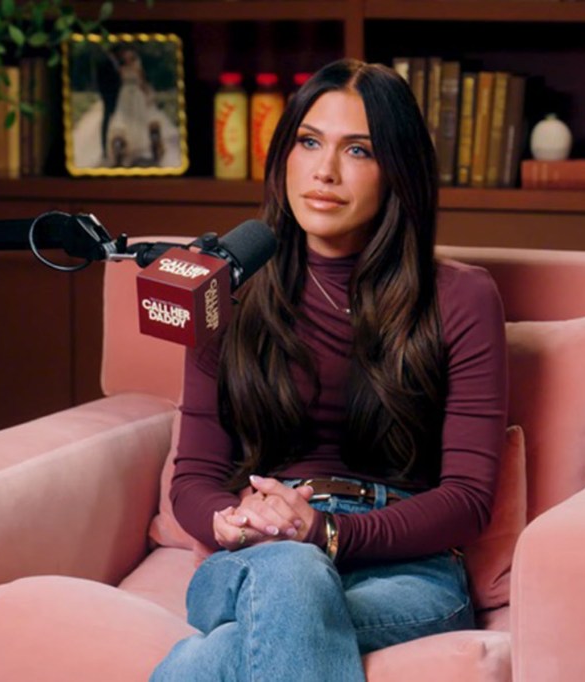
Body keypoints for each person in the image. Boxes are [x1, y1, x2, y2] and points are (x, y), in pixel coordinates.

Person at [150, 58, 507, 682]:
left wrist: (325, 531)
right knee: (289, 573)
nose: (324, 171)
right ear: (283, 155)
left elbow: (468, 499)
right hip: (255, 556)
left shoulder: (460, 298)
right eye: (308, 142)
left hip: (409, 569)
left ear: (398, 171)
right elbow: (196, 475)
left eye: (359, 150)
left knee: (218, 656)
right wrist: (230, 522)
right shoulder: (225, 290)